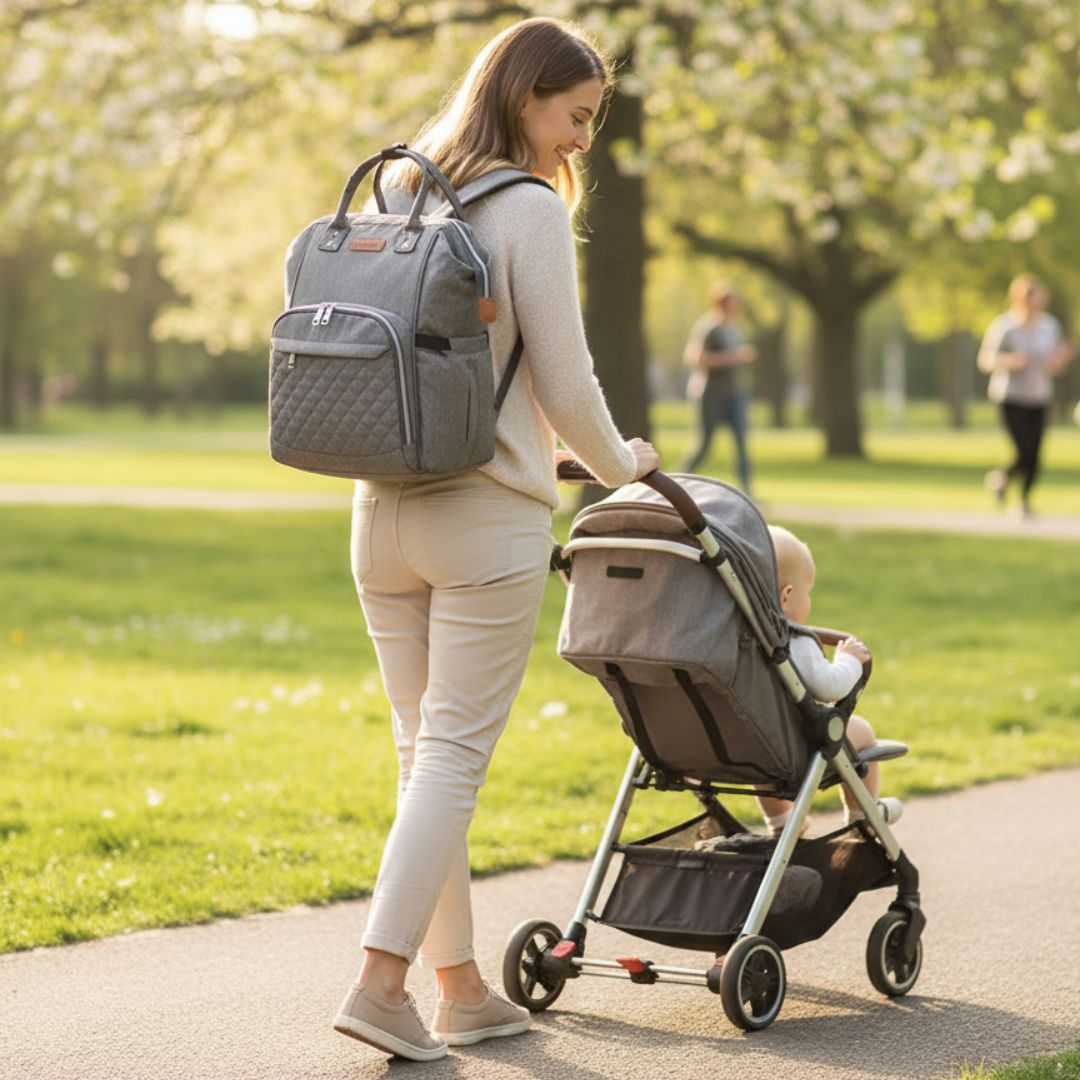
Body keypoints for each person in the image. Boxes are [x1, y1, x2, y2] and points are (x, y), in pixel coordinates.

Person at [331, 17, 660, 1063]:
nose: (581, 141)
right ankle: (383, 983)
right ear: (528, 97)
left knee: (421, 761)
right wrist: (629, 469)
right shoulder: (523, 210)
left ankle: (461, 988)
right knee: (452, 763)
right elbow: (566, 386)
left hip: (380, 510)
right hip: (483, 523)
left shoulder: (398, 189)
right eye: (575, 115)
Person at [755, 526, 902, 838]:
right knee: (860, 731)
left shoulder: (729, 639)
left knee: (758, 757)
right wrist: (847, 660)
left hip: (746, 741)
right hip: (792, 742)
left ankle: (781, 822)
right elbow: (829, 687)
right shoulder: (793, 640)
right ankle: (862, 816)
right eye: (808, 593)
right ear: (787, 596)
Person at [978, 274, 1073, 517]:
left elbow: (1054, 363)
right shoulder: (1005, 326)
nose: (1036, 301)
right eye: (1031, 296)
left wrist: (1060, 359)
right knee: (1023, 450)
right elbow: (985, 360)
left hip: (1039, 395)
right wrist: (1010, 361)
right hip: (1009, 396)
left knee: (1035, 454)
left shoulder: (1049, 326)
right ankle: (1004, 480)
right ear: (1019, 298)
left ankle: (1021, 499)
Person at [680, 282, 756, 493]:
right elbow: (695, 358)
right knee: (704, 445)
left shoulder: (734, 329)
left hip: (733, 395)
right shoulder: (709, 328)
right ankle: (677, 484)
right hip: (710, 395)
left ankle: (747, 494)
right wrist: (733, 357)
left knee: (742, 443)